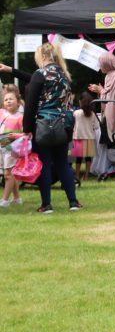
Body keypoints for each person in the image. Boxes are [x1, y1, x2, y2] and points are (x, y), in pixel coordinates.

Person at [1, 45, 81, 213]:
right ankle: (73, 202)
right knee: (62, 164)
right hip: (64, 125)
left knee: (43, 163)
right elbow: (35, 79)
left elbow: (30, 105)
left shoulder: (41, 74)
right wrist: (11, 70)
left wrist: (27, 129)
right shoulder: (64, 75)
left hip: (43, 126)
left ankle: (46, 205)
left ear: (42, 56)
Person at [88, 52, 115, 146]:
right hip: (113, 118)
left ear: (107, 63)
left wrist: (101, 91)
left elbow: (112, 101)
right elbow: (109, 98)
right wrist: (101, 91)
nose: (100, 66)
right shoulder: (110, 75)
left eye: (101, 63)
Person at [0, 88, 23, 206]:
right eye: (6, 100)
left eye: (11, 99)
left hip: (12, 148)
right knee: (10, 173)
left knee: (7, 174)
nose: (8, 101)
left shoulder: (20, 117)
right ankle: (17, 198)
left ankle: (4, 200)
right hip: (1, 148)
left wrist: (17, 135)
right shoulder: (2, 113)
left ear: (18, 102)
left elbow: (27, 134)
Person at [71, 91, 100, 182]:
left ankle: (77, 175)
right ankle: (86, 175)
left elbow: (72, 125)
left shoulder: (76, 113)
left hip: (78, 138)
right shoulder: (92, 114)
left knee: (78, 158)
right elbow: (96, 127)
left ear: (80, 102)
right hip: (90, 138)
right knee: (88, 158)